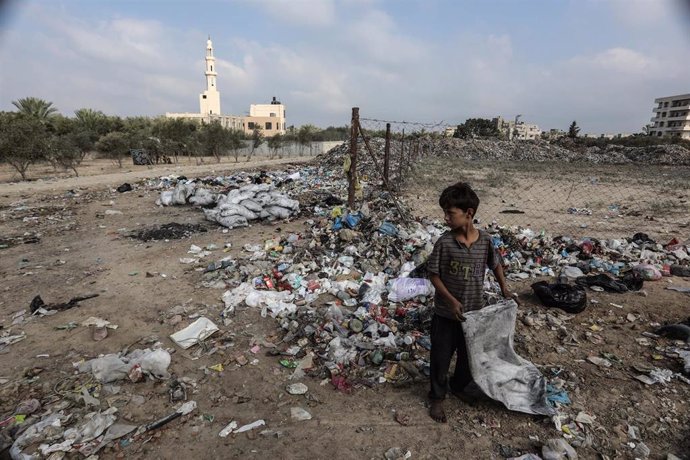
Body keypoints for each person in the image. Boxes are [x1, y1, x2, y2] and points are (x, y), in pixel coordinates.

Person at [426, 182, 514, 423]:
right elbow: (433, 274)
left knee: (468, 355)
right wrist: (452, 301)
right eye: (444, 213)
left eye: (450, 213)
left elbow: (494, 263)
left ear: (469, 214)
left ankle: (459, 386)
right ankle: (437, 397)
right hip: (446, 314)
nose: (445, 218)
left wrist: (504, 287)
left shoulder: (484, 241)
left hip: (474, 314)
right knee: (441, 357)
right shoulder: (444, 243)